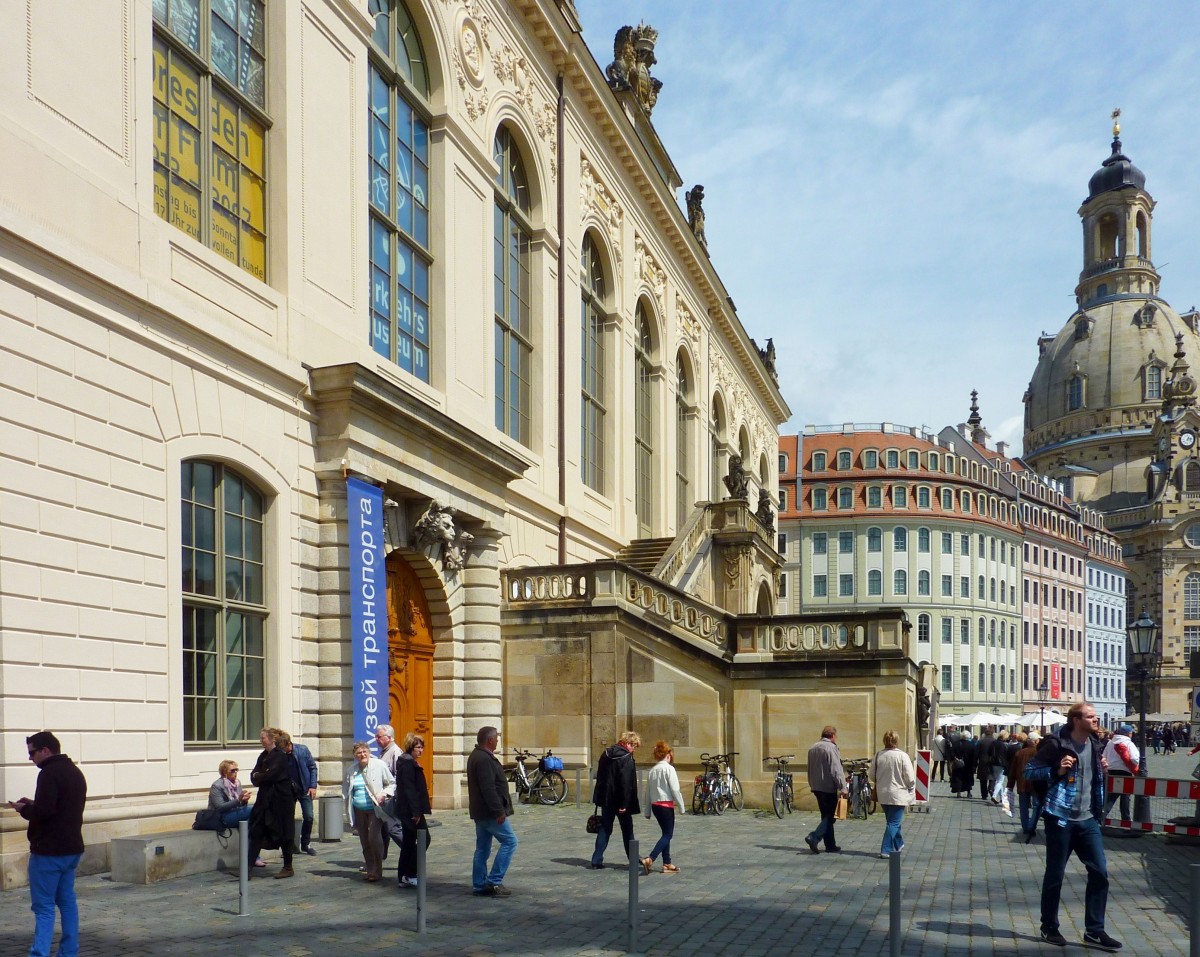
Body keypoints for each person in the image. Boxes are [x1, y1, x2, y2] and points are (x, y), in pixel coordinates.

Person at [1025, 702, 1121, 951]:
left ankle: (1095, 930)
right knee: (1055, 875)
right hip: (1060, 818)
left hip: (1088, 819)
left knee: (1100, 872)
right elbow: (1029, 772)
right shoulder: (1056, 744)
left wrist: (1103, 771)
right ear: (1076, 720)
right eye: (1091, 716)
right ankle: (1050, 926)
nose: (1096, 720)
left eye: (1096, 716)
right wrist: (1056, 769)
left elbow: (1093, 779)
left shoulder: (1096, 744)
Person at [7, 731, 87, 957]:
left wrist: (24, 809)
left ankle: (39, 953)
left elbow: (45, 812)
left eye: (32, 752)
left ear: (45, 750)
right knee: (67, 902)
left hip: (49, 852)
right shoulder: (74, 771)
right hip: (71, 849)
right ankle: (69, 951)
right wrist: (34, 803)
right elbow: (62, 806)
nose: (30, 758)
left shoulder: (48, 773)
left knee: (43, 908)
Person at [466, 725, 517, 896]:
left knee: (482, 848)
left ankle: (479, 885)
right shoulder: (483, 759)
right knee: (510, 842)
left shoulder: (478, 756)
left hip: (481, 811)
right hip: (489, 812)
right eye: (496, 738)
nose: (497, 741)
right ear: (490, 740)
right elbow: (488, 788)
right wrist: (499, 811)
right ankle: (494, 881)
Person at [247, 727, 297, 879]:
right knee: (256, 831)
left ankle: (288, 867)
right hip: (264, 801)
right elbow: (253, 776)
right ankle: (247, 868)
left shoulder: (280, 756)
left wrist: (260, 775)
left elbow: (271, 775)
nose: (261, 740)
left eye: (263, 737)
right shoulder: (263, 756)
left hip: (281, 802)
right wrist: (260, 775)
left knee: (285, 833)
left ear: (271, 739)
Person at [342, 740, 395, 882]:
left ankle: (378, 869)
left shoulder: (379, 765)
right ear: (355, 755)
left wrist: (383, 794)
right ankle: (370, 869)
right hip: (359, 810)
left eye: (364, 751)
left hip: (375, 809)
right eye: (358, 753)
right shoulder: (351, 770)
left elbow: (391, 783)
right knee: (364, 840)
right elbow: (346, 790)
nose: (362, 754)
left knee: (373, 838)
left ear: (369, 753)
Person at [590, 731, 642, 869]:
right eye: (634, 746)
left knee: (605, 829)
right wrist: (625, 803)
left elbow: (601, 777)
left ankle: (596, 859)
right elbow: (625, 782)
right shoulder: (626, 757)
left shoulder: (606, 753)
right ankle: (634, 859)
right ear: (628, 743)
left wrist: (599, 797)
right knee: (627, 830)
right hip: (620, 801)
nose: (634, 749)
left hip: (607, 799)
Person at [641, 740, 686, 874]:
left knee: (665, 833)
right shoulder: (669, 768)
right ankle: (651, 858)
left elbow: (648, 792)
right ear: (668, 754)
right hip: (666, 805)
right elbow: (675, 789)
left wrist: (647, 810)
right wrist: (681, 806)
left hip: (655, 806)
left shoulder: (653, 770)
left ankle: (667, 862)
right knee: (668, 834)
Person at [393, 732, 432, 888]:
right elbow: (410, 789)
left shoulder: (407, 762)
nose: (421, 750)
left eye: (422, 747)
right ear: (411, 747)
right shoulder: (408, 764)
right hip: (410, 811)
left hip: (408, 809)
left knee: (408, 842)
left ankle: (403, 876)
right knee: (424, 839)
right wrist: (416, 812)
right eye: (418, 747)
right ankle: (410, 873)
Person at [803, 726, 847, 854]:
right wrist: (843, 787)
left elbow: (809, 768)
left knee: (826, 815)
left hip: (816, 786)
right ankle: (814, 837)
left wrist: (811, 783)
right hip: (828, 787)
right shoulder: (831, 748)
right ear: (832, 736)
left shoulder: (813, 747)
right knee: (831, 817)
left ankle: (830, 845)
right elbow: (836, 770)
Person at [872, 730, 915, 858]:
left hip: (883, 793)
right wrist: (911, 787)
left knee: (892, 821)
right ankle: (886, 849)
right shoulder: (902, 756)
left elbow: (872, 775)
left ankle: (899, 843)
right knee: (893, 823)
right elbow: (910, 778)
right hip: (898, 794)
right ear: (897, 741)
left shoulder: (878, 755)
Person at [278, 732, 319, 856]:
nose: (282, 751)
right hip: (289, 791)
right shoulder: (280, 754)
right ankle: (289, 845)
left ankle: (305, 843)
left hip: (304, 788)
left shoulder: (302, 750)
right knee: (287, 818)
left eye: (283, 748)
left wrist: (312, 786)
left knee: (309, 816)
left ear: (288, 744)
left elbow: (312, 767)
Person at [1101, 724, 1139, 825]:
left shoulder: (1110, 743)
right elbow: (1134, 759)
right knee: (1125, 797)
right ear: (1128, 734)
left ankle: (1102, 816)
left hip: (1111, 771)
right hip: (1125, 772)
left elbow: (1104, 756)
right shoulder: (1128, 743)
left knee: (1111, 797)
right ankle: (1126, 820)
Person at [1010, 733, 1040, 840]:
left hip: (1022, 783)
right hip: (1036, 783)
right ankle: (1031, 826)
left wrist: (1010, 785)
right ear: (1036, 741)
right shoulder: (1039, 752)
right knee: (1037, 806)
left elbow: (1013, 770)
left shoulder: (1019, 753)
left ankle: (1025, 827)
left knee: (1023, 807)